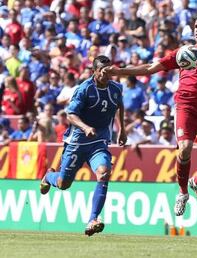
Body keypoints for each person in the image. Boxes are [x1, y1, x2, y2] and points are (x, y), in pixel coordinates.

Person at [102, 13, 197, 216]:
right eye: (195, 26)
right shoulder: (183, 53)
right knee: (184, 148)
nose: (196, 30)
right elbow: (150, 68)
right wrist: (119, 72)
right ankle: (183, 192)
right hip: (186, 107)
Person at [39, 56, 127, 236]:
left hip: (99, 142)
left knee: (104, 172)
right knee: (64, 184)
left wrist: (122, 129)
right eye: (102, 70)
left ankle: (93, 219)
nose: (106, 73)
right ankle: (49, 177)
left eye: (109, 69)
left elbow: (119, 105)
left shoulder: (116, 88)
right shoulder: (84, 89)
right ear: (94, 71)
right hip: (77, 142)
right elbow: (70, 115)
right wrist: (85, 127)